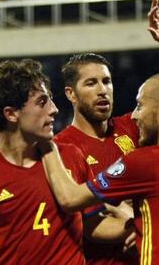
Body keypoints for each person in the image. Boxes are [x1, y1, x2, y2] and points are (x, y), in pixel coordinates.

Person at [0, 59, 131, 264]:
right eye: (42, 102)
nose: (54, 110)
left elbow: (93, 224)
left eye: (50, 99)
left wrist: (138, 226)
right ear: (11, 113)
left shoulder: (70, 156)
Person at [40, 72, 159, 265]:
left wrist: (46, 145)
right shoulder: (69, 145)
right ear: (71, 93)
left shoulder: (142, 160)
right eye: (91, 83)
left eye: (139, 105)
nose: (134, 115)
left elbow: (70, 198)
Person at [55, 53, 139, 264]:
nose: (102, 90)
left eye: (106, 81)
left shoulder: (133, 127)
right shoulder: (61, 149)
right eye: (91, 83)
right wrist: (142, 228)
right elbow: (90, 224)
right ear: (71, 94)